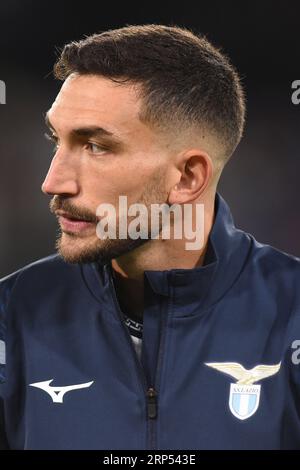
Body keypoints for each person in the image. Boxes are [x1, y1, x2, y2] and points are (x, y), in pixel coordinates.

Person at [1, 24, 300, 450]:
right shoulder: (11, 318)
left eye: (95, 146)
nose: (53, 182)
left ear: (186, 177)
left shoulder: (292, 316)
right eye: (57, 140)